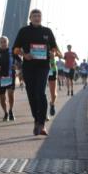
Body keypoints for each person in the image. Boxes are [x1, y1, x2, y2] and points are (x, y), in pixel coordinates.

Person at [12, 8, 59, 136]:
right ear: (30, 18)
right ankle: (36, 120)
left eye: (39, 16)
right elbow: (15, 49)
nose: (37, 18)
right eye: (34, 16)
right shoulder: (23, 31)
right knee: (31, 95)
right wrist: (24, 54)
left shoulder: (47, 31)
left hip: (43, 67)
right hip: (28, 67)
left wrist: (53, 53)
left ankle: (42, 124)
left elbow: (55, 48)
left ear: (41, 18)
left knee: (40, 93)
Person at [0, 36, 16, 121]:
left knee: (10, 95)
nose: (3, 43)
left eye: (4, 42)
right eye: (1, 42)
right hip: (1, 78)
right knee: (2, 98)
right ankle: (5, 113)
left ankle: (11, 111)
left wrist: (16, 65)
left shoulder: (12, 52)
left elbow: (20, 61)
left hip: (10, 76)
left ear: (7, 42)